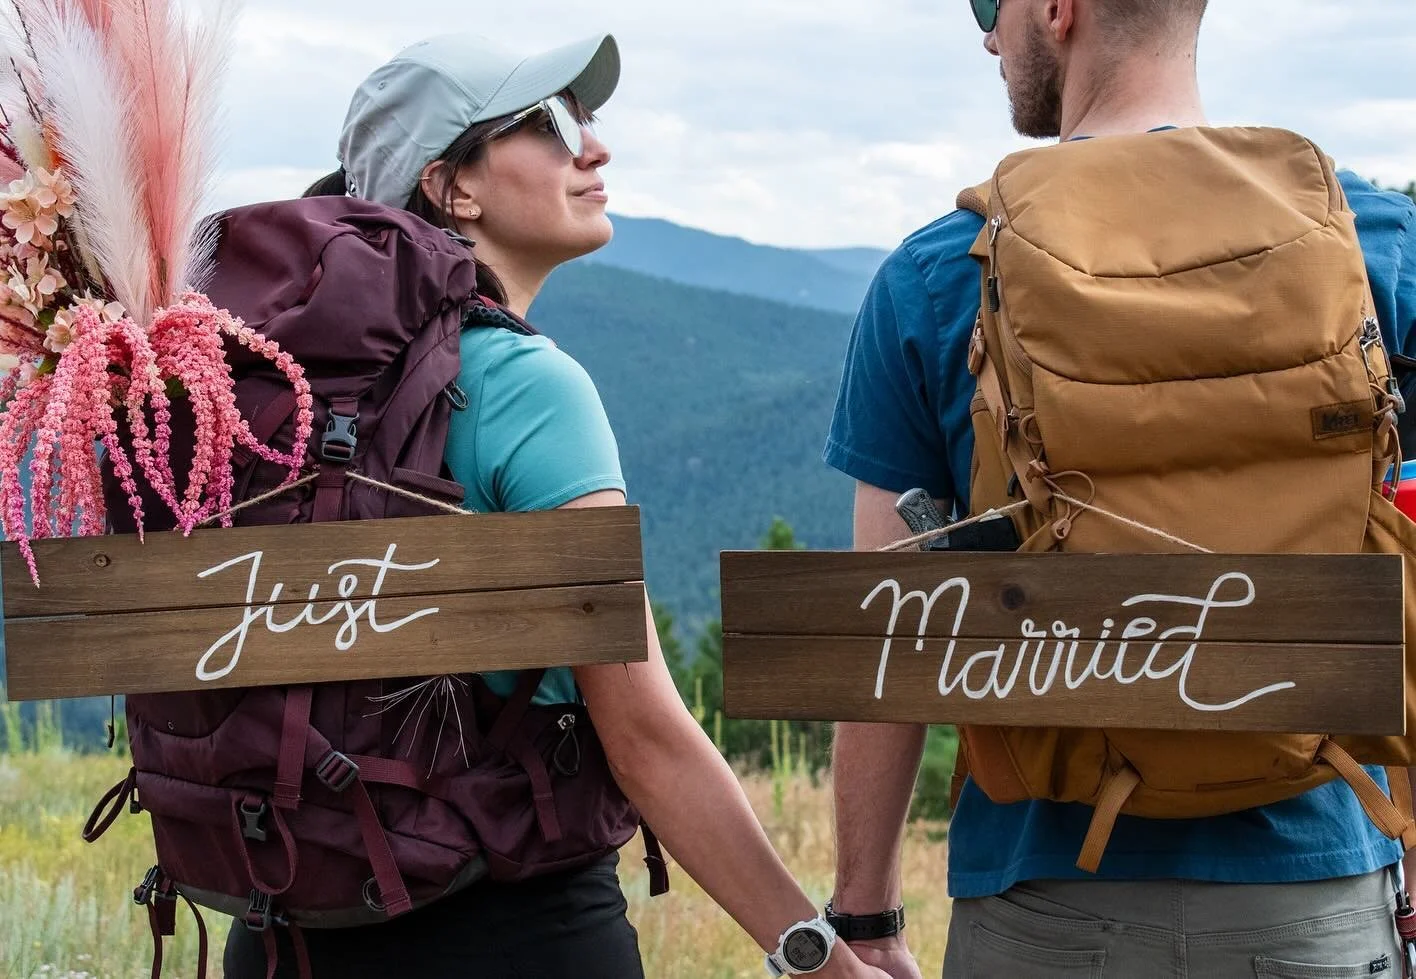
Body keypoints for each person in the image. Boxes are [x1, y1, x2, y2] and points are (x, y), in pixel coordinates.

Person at [222, 31, 887, 979]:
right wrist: (818, 955)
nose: (595, 147)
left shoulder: (264, 392)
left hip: (283, 924)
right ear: (455, 188)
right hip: (511, 926)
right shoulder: (527, 386)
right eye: (553, 123)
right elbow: (645, 733)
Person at [823, 1, 1416, 976]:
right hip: (1317, 890)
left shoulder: (936, 275)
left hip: (1043, 903)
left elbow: (886, 633)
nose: (983, 35)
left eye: (990, 7)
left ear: (1058, 12)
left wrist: (865, 920)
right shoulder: (1373, 246)